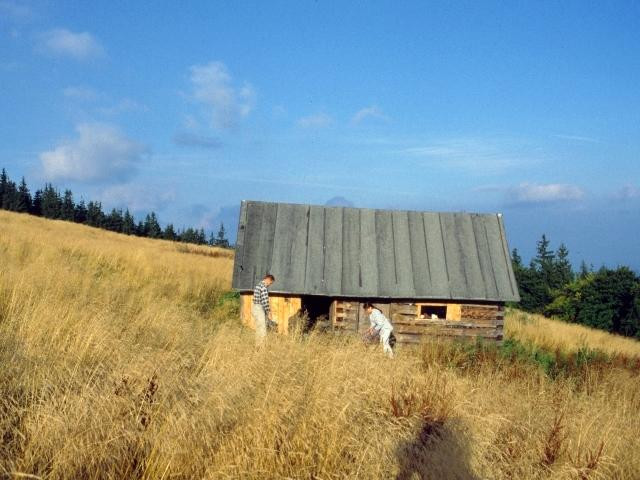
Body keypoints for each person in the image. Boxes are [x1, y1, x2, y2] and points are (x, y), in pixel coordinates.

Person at [252, 274, 275, 343]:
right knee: (262, 329)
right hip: (259, 308)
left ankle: (257, 344)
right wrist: (268, 311)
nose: (269, 285)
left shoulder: (257, 286)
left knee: (258, 328)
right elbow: (265, 301)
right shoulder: (263, 287)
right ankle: (261, 346)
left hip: (254, 307)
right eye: (270, 283)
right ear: (268, 279)